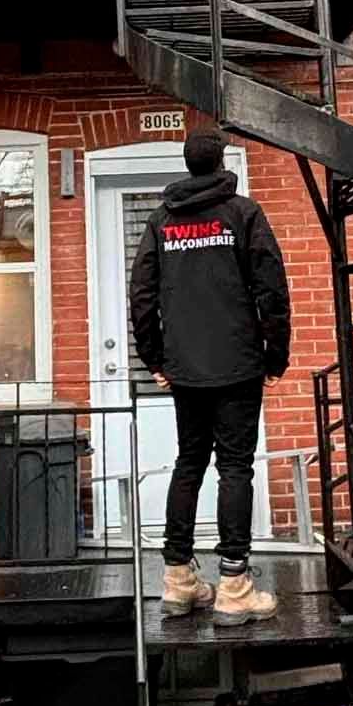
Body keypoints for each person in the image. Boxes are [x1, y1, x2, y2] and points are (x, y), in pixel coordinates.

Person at [128, 127, 291, 623]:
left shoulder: (162, 221)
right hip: (239, 363)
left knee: (190, 463)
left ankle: (178, 582)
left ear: (187, 164)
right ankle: (234, 587)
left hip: (186, 370)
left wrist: (156, 360)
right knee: (235, 468)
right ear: (220, 164)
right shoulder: (243, 215)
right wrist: (275, 355)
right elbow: (271, 290)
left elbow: (141, 298)